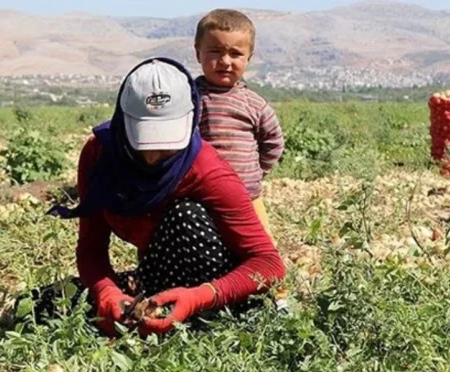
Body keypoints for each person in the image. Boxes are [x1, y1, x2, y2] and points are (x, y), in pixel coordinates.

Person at [45, 57, 285, 337]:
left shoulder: (206, 169)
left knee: (186, 215)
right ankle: (153, 314)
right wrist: (107, 292)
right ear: (123, 123)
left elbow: (269, 264)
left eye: (166, 146)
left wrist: (200, 296)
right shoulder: (100, 156)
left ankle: (196, 322)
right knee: (48, 305)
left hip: (217, 286)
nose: (153, 157)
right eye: (143, 142)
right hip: (158, 276)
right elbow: (91, 247)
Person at [193, 9, 285, 238]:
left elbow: (273, 141)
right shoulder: (189, 97)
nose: (225, 61)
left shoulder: (254, 104)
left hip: (247, 196)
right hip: (200, 197)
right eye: (215, 52)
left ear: (248, 59)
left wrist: (257, 172)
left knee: (262, 252)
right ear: (198, 53)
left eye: (235, 54)